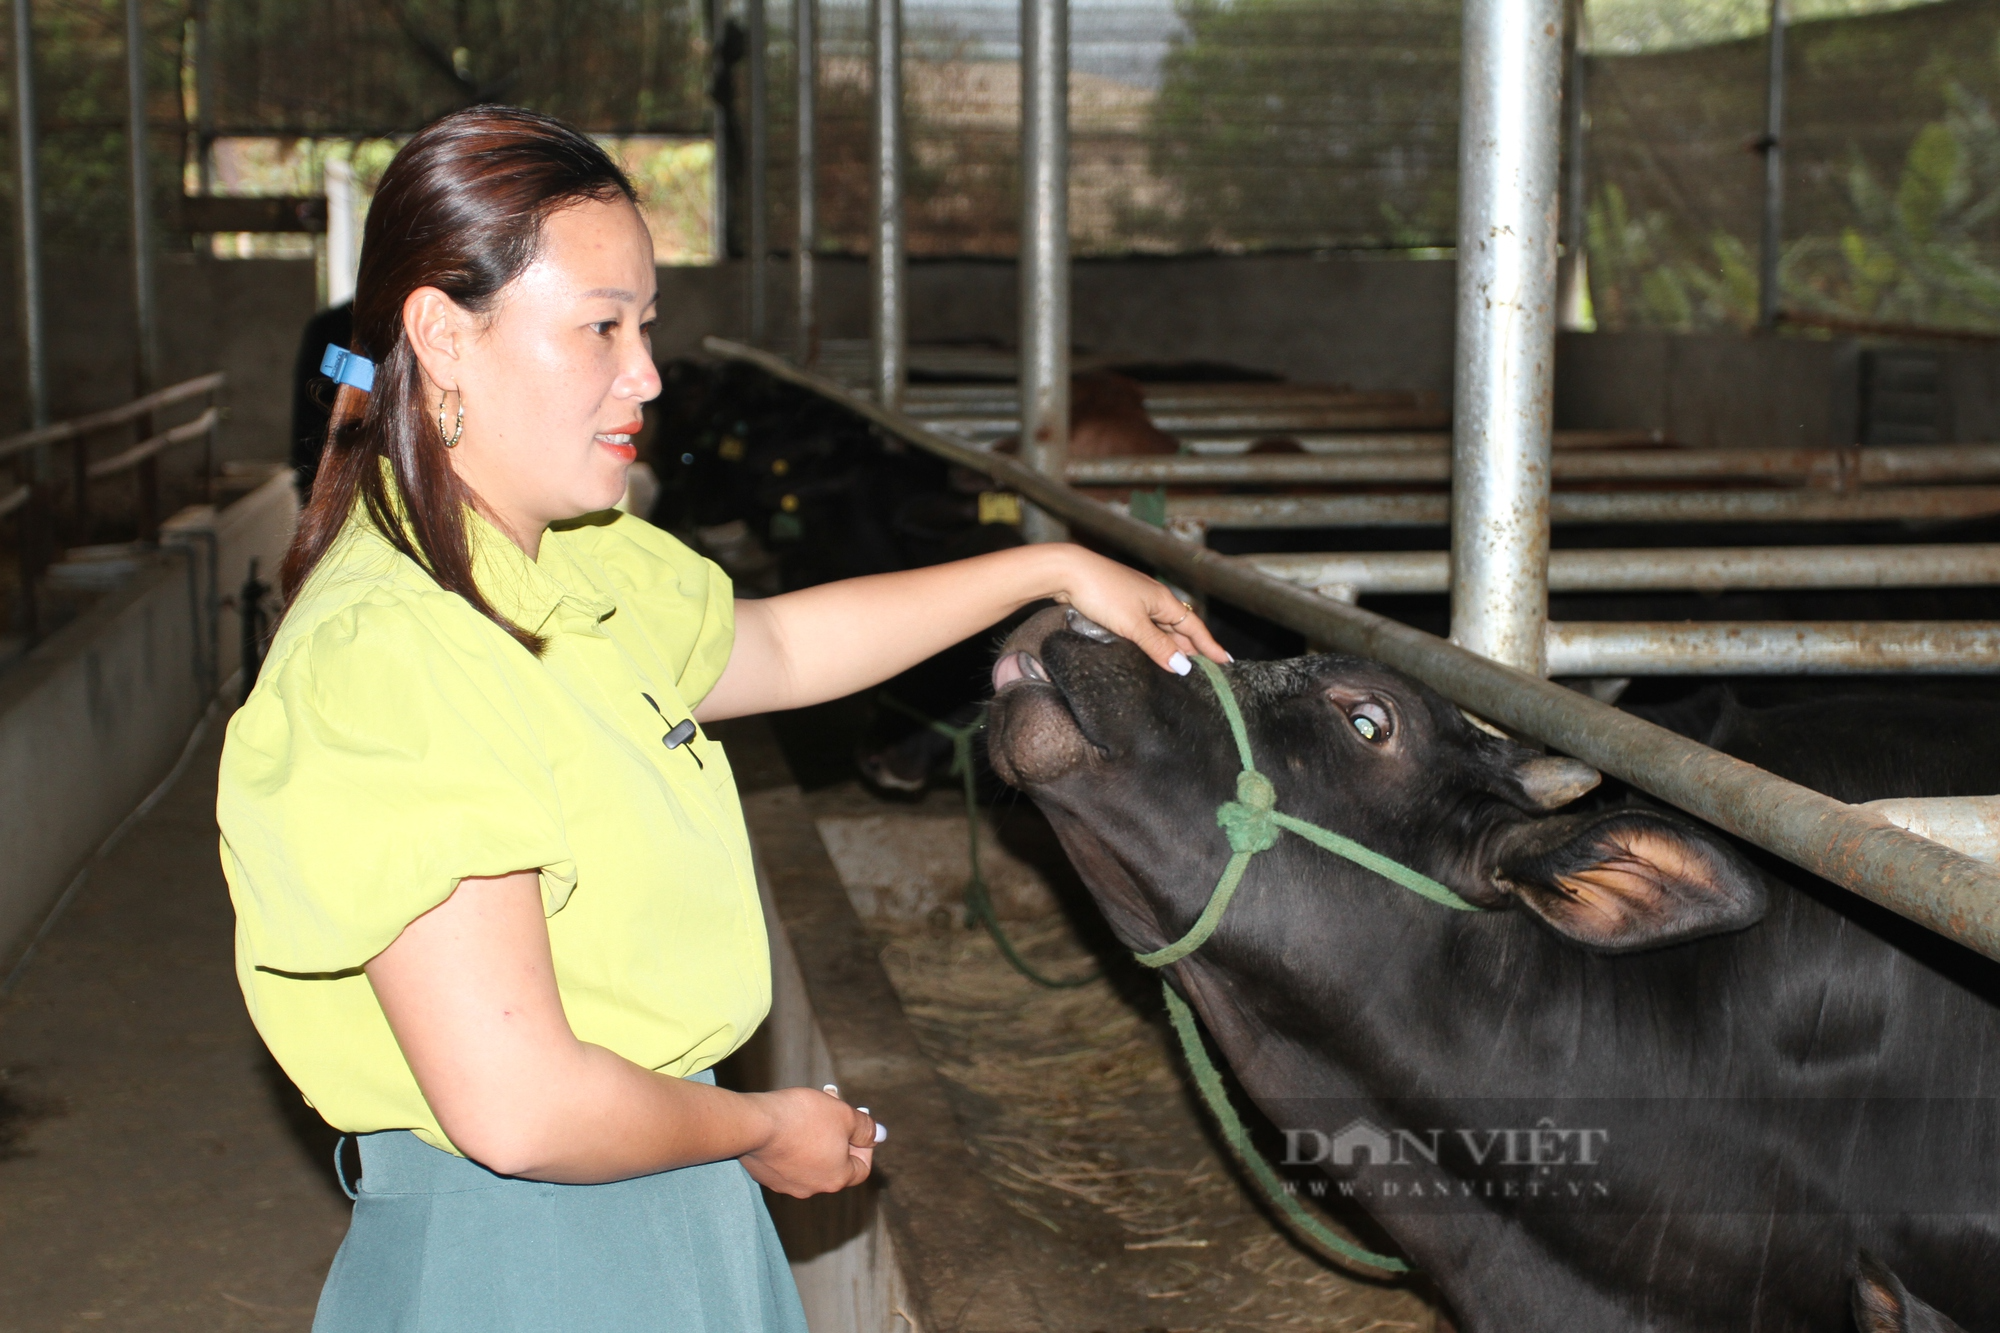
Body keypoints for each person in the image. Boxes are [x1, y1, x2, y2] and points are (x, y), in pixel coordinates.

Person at [217, 105, 1226, 1332]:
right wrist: (758, 1124)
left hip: (656, 1193)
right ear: (443, 335)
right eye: (599, 326)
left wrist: (1047, 570)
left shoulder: (569, 560)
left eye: (644, 327)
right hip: (528, 1260)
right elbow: (519, 1105)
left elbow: (783, 644)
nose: (643, 375)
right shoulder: (395, 651)